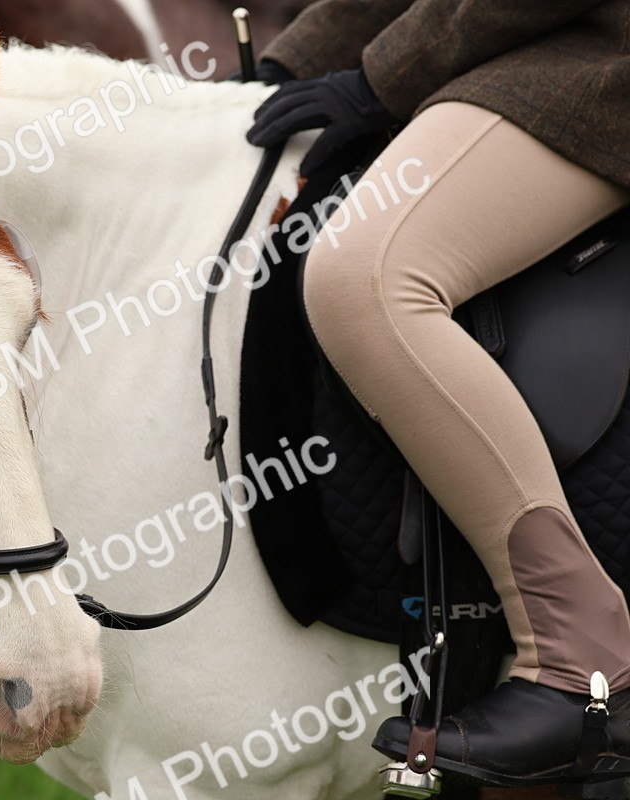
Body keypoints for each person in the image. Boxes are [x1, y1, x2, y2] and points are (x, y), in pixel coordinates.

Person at [245, 0, 630, 787]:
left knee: (369, 278)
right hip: (534, 41)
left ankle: (582, 660)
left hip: (597, 58)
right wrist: (302, 56)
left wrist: (379, 74)